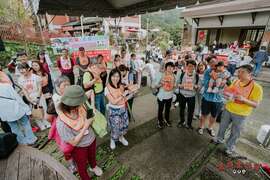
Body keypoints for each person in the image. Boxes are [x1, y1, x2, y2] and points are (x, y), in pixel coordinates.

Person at [213, 65, 263, 156]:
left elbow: (256, 104)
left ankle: (229, 147)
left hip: (241, 114)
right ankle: (219, 139)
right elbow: (230, 92)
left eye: (242, 72)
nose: (239, 74)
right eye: (238, 71)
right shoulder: (236, 81)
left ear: (250, 74)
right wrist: (226, 94)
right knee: (222, 127)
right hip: (228, 109)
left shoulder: (257, 88)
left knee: (235, 132)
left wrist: (243, 99)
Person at [56, 85, 103, 180]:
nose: (82, 104)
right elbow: (73, 142)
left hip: (91, 138)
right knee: (81, 165)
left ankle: (93, 166)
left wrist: (92, 107)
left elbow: (90, 93)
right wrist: (86, 125)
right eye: (78, 103)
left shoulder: (80, 105)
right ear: (70, 104)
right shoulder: (61, 123)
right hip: (79, 147)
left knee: (92, 155)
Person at [104, 69, 132, 150]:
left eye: (117, 76)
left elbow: (124, 99)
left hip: (123, 109)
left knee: (123, 125)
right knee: (115, 127)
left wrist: (132, 93)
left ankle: (121, 137)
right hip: (114, 111)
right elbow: (113, 102)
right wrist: (123, 95)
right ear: (110, 77)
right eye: (113, 76)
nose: (115, 78)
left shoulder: (121, 86)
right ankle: (113, 139)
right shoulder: (107, 88)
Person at [17, 63, 50, 130]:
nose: (21, 71)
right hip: (30, 97)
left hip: (38, 95)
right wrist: (29, 99)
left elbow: (40, 88)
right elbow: (24, 90)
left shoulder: (36, 77)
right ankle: (41, 125)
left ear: (28, 69)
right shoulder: (20, 79)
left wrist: (38, 97)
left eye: (23, 69)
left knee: (43, 108)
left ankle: (47, 122)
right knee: (34, 111)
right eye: (19, 70)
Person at [198, 56, 223, 137]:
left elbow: (226, 84)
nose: (212, 63)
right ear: (208, 64)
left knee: (214, 115)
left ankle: (210, 128)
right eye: (210, 62)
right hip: (207, 97)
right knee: (204, 114)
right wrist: (212, 78)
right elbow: (205, 84)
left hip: (218, 99)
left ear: (217, 61)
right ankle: (201, 127)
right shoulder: (207, 72)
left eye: (213, 61)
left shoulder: (223, 71)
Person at [176, 60, 199, 129]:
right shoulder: (182, 74)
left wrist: (196, 87)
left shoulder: (197, 75)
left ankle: (189, 124)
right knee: (182, 109)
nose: (190, 68)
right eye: (189, 66)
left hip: (191, 96)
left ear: (195, 67)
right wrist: (182, 86)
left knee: (191, 111)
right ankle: (182, 121)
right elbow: (177, 84)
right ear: (186, 66)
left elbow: (199, 86)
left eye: (192, 66)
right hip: (182, 95)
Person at [154, 62, 176, 128]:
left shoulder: (174, 76)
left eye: (171, 67)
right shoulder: (161, 75)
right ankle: (160, 121)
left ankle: (167, 120)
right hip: (162, 96)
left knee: (168, 109)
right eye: (168, 67)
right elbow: (155, 85)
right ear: (166, 68)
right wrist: (161, 84)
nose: (170, 69)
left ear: (173, 69)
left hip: (170, 96)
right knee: (160, 110)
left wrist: (175, 86)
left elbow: (175, 86)